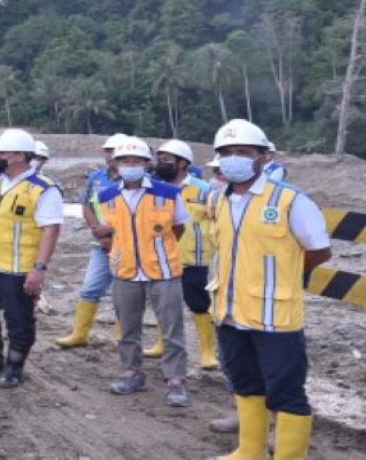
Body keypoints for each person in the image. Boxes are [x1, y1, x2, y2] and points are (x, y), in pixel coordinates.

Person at [210, 119, 331, 459]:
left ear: (263, 157)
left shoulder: (291, 200)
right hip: (229, 312)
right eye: (227, 152)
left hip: (275, 318)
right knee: (246, 384)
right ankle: (250, 451)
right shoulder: (217, 199)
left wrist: (284, 276)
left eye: (243, 152)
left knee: (286, 392)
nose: (234, 158)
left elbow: (319, 250)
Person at [0, 129, 63, 389]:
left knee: (19, 320)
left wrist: (39, 268)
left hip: (18, 268)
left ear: (20, 156)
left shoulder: (43, 189)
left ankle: (15, 367)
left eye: (3, 153)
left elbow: (50, 230)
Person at [100, 137, 190, 407]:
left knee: (172, 327)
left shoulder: (168, 193)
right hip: (125, 272)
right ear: (115, 164)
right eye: (125, 161)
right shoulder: (107, 197)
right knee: (127, 327)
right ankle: (132, 372)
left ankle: (175, 380)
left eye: (137, 161)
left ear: (146, 164)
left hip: (164, 271)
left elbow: (179, 228)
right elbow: (108, 232)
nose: (131, 166)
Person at [55, 133, 126, 348]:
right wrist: (98, 231)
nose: (110, 155)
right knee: (89, 289)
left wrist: (114, 235)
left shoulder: (136, 179)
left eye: (114, 151)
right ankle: (80, 334)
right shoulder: (96, 177)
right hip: (101, 245)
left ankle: (122, 337)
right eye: (107, 151)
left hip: (128, 245)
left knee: (124, 294)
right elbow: (86, 206)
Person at [153, 139, 218, 370]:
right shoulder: (154, 188)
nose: (161, 164)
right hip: (162, 257)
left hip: (194, 258)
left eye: (167, 160)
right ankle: (162, 343)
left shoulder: (203, 190)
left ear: (182, 164)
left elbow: (218, 219)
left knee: (198, 303)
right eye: (160, 160)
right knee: (164, 304)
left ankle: (208, 352)